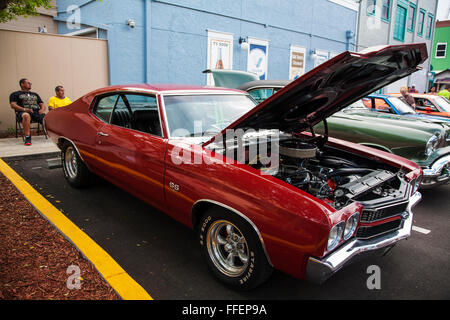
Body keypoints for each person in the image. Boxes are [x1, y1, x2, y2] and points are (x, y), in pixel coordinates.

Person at [9, 78, 46, 146]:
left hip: (36, 112)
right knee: (26, 115)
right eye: (28, 83)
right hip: (23, 112)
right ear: (22, 84)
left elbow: (42, 104)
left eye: (30, 83)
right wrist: (25, 109)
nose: (30, 84)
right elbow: (13, 105)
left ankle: (54, 135)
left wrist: (42, 109)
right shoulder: (15, 94)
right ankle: (28, 138)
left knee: (49, 117)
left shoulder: (35, 94)